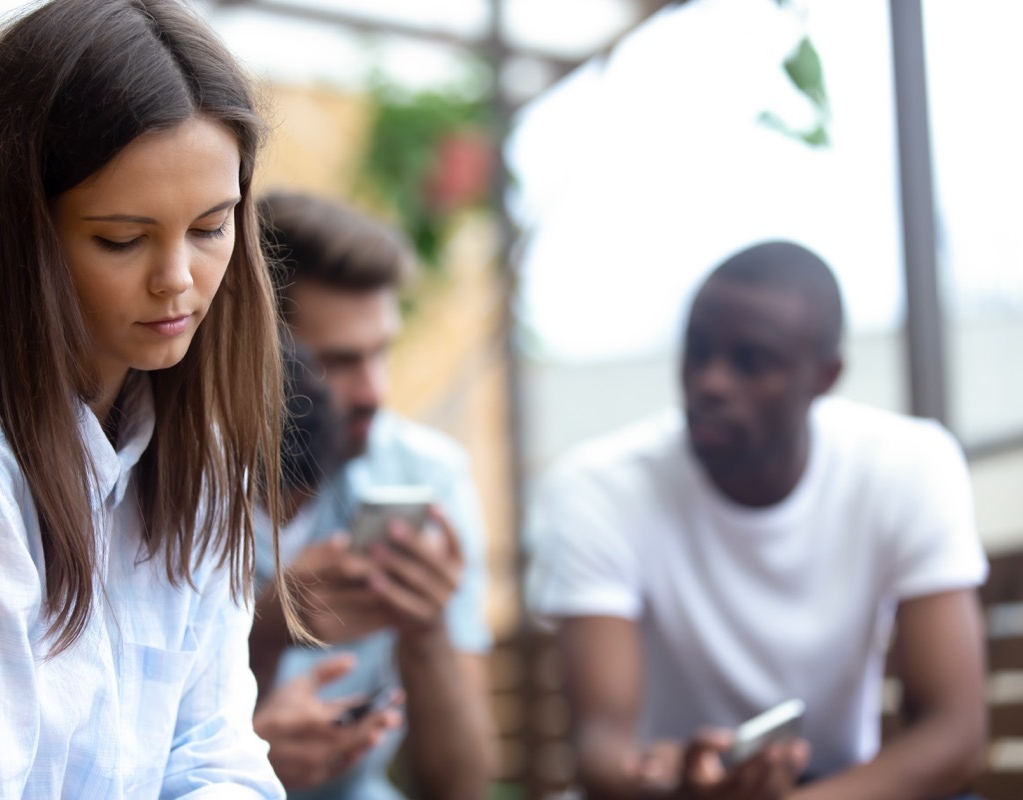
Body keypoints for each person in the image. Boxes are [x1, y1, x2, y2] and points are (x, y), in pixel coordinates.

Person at [0, 0, 296, 796]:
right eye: (121, 238)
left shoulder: (197, 455)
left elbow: (218, 758)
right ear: (23, 233)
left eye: (212, 227)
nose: (177, 279)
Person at [526, 241, 988, 800]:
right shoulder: (599, 486)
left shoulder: (908, 464)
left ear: (824, 376)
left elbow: (955, 733)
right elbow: (601, 746)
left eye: (750, 360)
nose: (711, 383)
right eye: (696, 351)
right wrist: (670, 778)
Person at [248, 191, 496, 799]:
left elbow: (461, 788)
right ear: (254, 352)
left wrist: (428, 632)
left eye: (382, 351)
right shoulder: (167, 481)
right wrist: (269, 628)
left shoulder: (421, 475)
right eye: (339, 361)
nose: (374, 392)